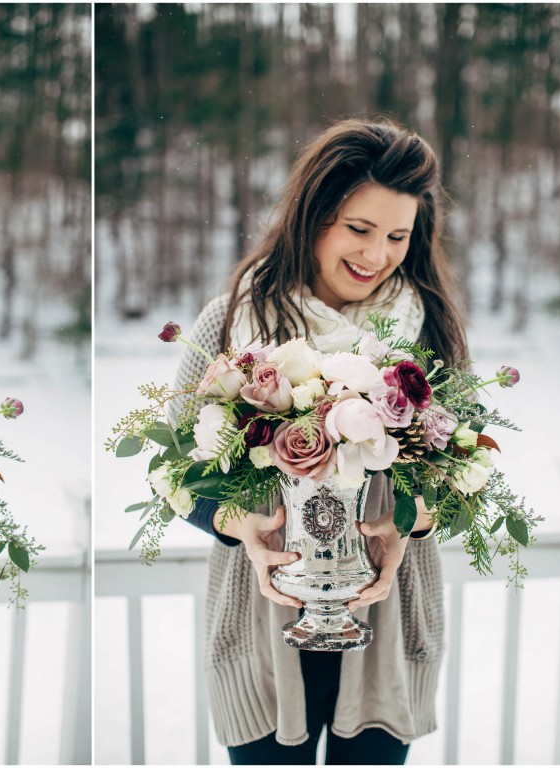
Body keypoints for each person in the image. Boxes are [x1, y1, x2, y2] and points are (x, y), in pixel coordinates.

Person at [173, 119, 468, 765]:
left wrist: (408, 522)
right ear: (313, 217)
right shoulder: (232, 321)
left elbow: (460, 472)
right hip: (262, 609)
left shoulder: (429, 327)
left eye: (398, 235)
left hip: (388, 610)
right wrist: (238, 524)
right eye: (359, 229)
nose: (377, 254)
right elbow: (174, 471)